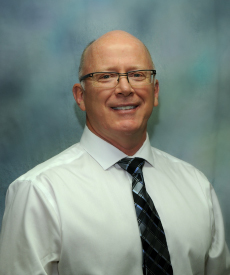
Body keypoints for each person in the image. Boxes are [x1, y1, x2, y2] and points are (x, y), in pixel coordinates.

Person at [0, 30, 229, 275]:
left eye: (137, 75)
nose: (124, 88)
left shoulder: (196, 186)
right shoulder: (39, 193)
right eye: (106, 76)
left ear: (155, 91)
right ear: (81, 96)